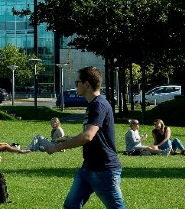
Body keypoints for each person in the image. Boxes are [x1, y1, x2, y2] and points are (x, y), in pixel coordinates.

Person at [45, 66, 125, 208]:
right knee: (71, 206)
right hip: (88, 168)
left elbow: (88, 136)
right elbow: (93, 135)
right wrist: (68, 139)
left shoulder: (98, 105)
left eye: (78, 82)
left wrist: (57, 147)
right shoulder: (93, 105)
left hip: (104, 170)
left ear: (87, 84)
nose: (76, 85)